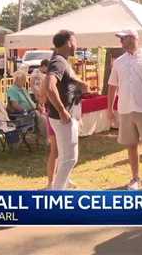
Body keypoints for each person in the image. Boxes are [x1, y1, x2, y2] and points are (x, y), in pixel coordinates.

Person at [107, 29, 142, 190]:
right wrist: (109, 109)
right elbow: (112, 86)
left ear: (133, 38)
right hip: (125, 110)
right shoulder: (118, 62)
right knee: (131, 145)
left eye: (122, 39)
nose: (120, 42)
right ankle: (135, 178)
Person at [45, 30, 85, 190]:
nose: (77, 45)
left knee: (64, 156)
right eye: (75, 41)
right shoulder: (58, 62)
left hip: (66, 116)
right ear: (69, 42)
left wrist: (78, 83)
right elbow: (49, 86)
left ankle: (65, 184)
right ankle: (58, 196)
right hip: (63, 117)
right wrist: (62, 110)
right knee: (70, 158)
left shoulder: (62, 61)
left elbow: (63, 83)